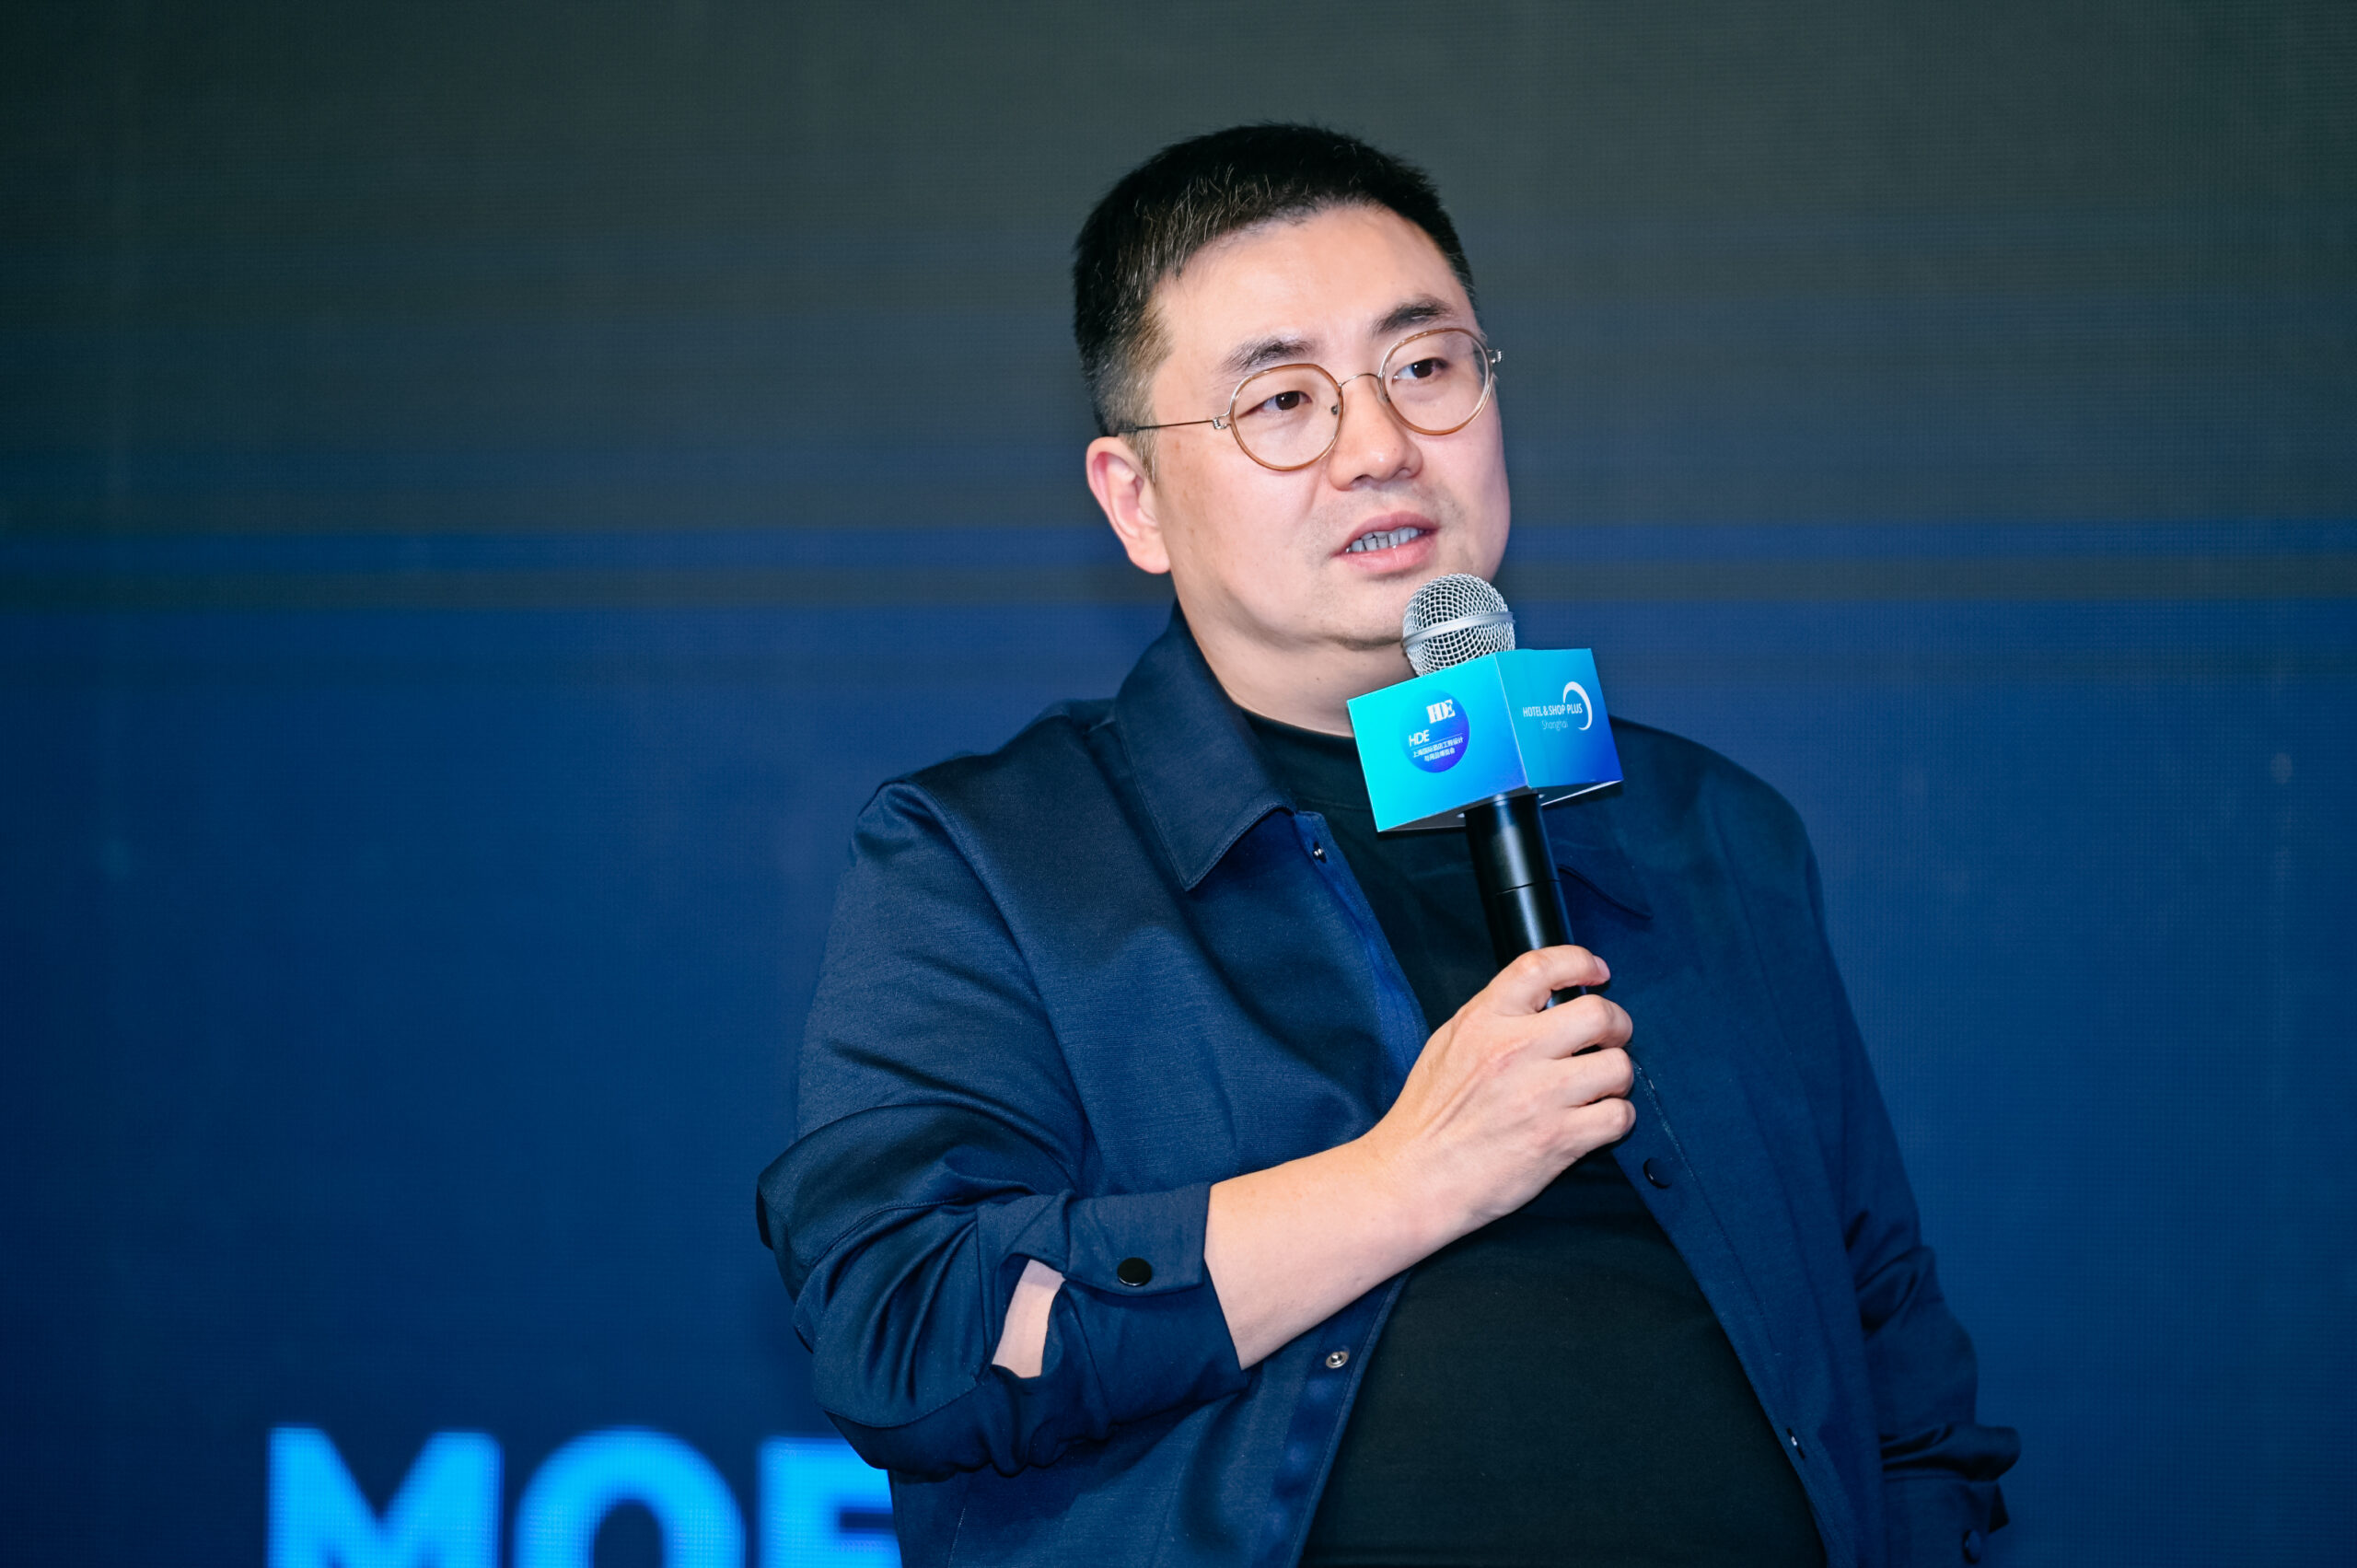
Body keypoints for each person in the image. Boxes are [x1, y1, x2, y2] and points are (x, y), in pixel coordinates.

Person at [756, 124, 2017, 1568]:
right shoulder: (993, 861)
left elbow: (1893, 1362)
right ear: (1134, 499)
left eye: (1425, 368)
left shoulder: (1702, 829)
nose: (1381, 448)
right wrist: (1411, 1178)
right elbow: (909, 1332)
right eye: (1284, 401)